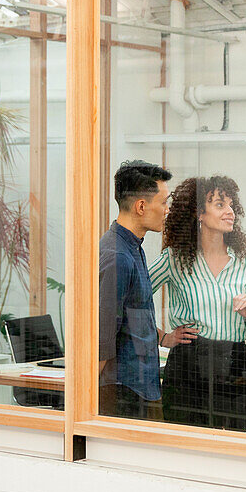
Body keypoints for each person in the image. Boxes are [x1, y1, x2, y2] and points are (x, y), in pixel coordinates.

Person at [149, 176, 246, 429]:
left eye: (231, 205)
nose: (230, 212)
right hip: (188, 364)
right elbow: (131, 296)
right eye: (219, 205)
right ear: (199, 214)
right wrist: (162, 338)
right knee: (187, 447)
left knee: (236, 446)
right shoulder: (175, 259)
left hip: (235, 365)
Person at [98, 160, 197, 420]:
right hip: (123, 392)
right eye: (163, 202)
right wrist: (83, 401)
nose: (167, 210)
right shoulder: (116, 255)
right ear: (141, 206)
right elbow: (102, 336)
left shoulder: (133, 248)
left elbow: (132, 314)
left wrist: (164, 338)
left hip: (142, 387)